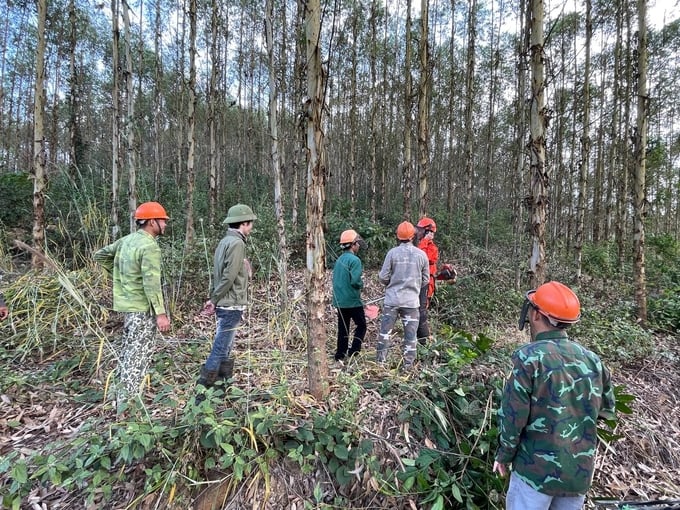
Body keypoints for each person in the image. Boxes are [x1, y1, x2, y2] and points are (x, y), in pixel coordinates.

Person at [493, 281, 616, 510]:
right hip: (577, 474)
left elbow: (513, 417)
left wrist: (504, 455)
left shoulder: (528, 358)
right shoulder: (592, 360)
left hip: (534, 473)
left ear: (537, 315)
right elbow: (607, 411)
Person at [94, 201, 171, 405]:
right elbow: (151, 283)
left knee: (128, 351)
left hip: (128, 307)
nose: (165, 225)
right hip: (143, 309)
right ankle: (127, 406)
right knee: (138, 356)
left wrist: (121, 275)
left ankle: (116, 398)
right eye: (163, 221)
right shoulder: (149, 246)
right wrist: (161, 314)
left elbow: (100, 255)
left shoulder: (126, 241)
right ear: (152, 222)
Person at [197, 204, 257, 394]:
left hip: (226, 302)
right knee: (221, 349)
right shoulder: (237, 243)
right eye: (250, 224)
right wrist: (214, 299)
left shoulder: (225, 241)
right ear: (244, 224)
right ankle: (202, 394)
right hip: (231, 304)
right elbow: (228, 276)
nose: (251, 228)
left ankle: (221, 390)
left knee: (225, 347)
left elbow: (224, 271)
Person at [376, 221, 429, 368]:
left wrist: (392, 284)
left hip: (392, 300)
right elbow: (426, 279)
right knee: (410, 337)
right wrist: (414, 286)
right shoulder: (421, 255)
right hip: (411, 303)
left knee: (385, 334)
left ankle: (380, 365)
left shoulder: (392, 253)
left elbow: (383, 277)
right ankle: (408, 367)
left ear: (398, 237)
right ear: (413, 236)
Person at [332, 229, 367, 361]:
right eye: (357, 243)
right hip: (352, 300)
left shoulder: (339, 260)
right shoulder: (355, 260)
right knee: (362, 325)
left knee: (343, 328)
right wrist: (361, 285)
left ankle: (340, 354)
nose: (358, 245)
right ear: (352, 245)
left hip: (339, 300)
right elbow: (355, 281)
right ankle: (354, 351)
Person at [415, 217, 439, 345]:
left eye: (420, 230)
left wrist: (425, 241)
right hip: (418, 283)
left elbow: (422, 257)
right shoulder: (420, 244)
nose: (417, 232)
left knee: (422, 311)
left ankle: (423, 341)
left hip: (426, 284)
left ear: (427, 232)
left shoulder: (432, 248)